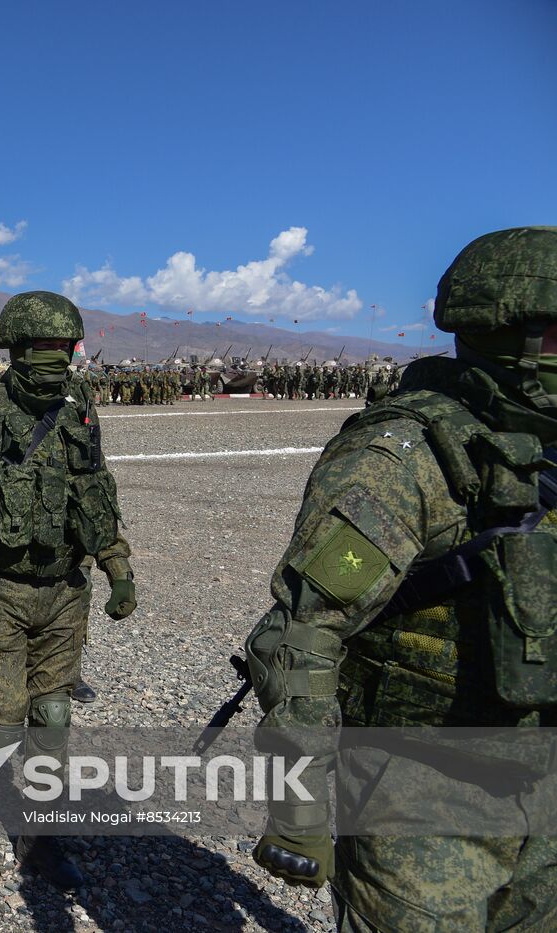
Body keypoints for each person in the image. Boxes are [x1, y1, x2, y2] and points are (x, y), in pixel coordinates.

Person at [244, 226, 557, 929]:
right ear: (508, 335)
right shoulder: (402, 460)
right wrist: (299, 808)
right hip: (422, 804)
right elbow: (301, 635)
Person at [0, 291, 137, 889]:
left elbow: (97, 495)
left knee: (52, 715)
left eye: (62, 348)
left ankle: (41, 834)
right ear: (13, 349)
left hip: (65, 589)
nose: (54, 359)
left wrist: (118, 567)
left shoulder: (81, 410)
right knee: (0, 719)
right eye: (41, 348)